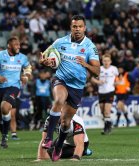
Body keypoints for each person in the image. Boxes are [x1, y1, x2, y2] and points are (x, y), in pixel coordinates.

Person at [39, 15, 100, 161]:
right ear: (71, 27)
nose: (77, 29)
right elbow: (45, 57)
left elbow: (97, 71)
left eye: (80, 26)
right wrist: (45, 61)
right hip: (61, 79)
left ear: (84, 28)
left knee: (66, 123)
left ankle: (59, 145)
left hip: (77, 87)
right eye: (74, 26)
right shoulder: (60, 42)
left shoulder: (90, 46)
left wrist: (85, 65)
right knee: (59, 99)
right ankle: (48, 138)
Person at [0, 36, 32, 148]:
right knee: (1, 115)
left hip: (14, 87)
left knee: (5, 107)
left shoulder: (22, 57)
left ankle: (5, 136)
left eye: (19, 44)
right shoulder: (0, 55)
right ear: (9, 45)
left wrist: (26, 76)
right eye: (16, 44)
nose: (18, 46)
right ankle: (3, 134)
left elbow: (28, 67)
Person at [91, 54, 118, 134]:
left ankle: (106, 129)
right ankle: (109, 123)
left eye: (108, 61)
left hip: (110, 92)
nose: (106, 62)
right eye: (104, 61)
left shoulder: (114, 69)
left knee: (107, 111)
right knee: (102, 112)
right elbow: (92, 78)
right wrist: (98, 82)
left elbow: (118, 78)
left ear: (110, 61)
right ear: (102, 61)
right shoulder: (99, 69)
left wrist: (116, 83)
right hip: (101, 92)